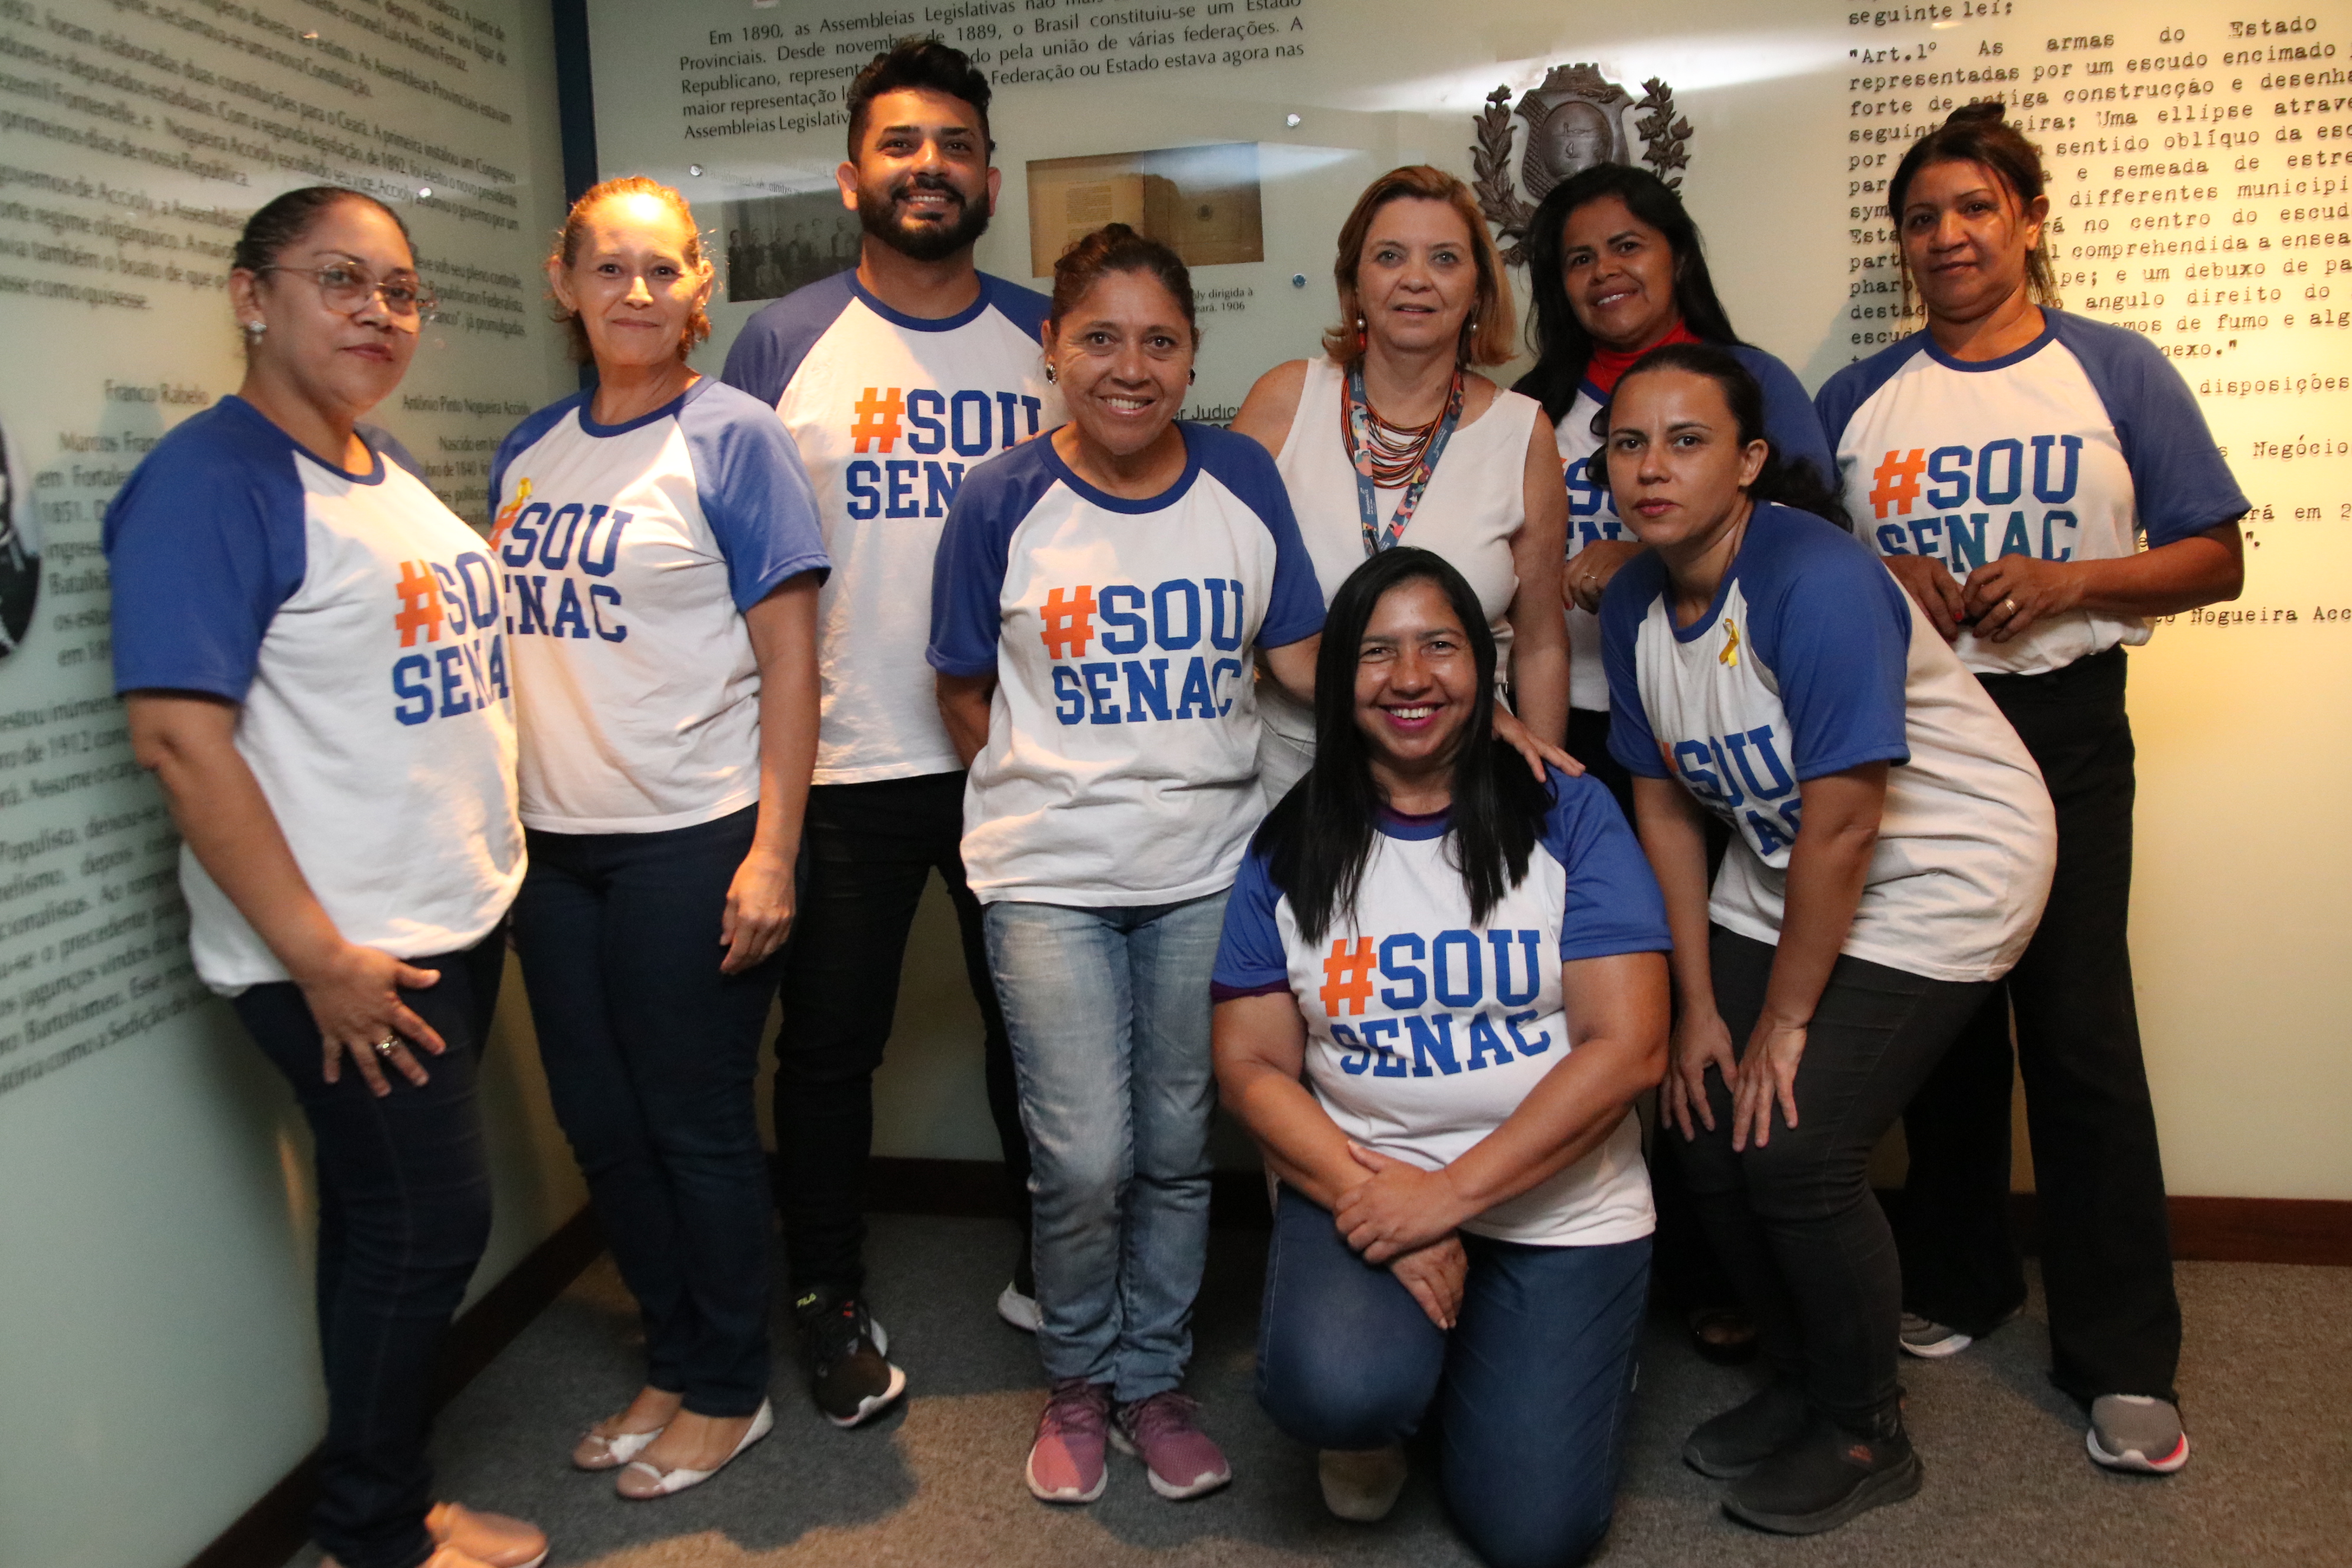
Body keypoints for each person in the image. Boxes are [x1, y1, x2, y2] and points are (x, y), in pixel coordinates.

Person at [107, 187, 547, 1568]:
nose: (378, 311)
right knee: (431, 1224)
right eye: (340, 280)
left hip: (437, 918)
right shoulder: (210, 479)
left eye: (400, 289)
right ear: (253, 296)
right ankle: (377, 1524)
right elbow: (179, 740)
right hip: (350, 954)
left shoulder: (375, 463)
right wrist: (317, 957)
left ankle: (376, 1501)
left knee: (380, 1218)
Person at [1817, 101, 2248, 1475]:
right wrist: (1886, 571)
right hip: (1920, 740)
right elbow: (1795, 557)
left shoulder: (2111, 369)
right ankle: (1963, 1275)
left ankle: (2122, 1355)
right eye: (1922, 219)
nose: (1946, 236)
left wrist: (2075, 581)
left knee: (2078, 1034)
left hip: (2065, 724)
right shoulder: (1860, 396)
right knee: (1940, 1019)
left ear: (2029, 221)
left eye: (1973, 210)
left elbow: (2216, 553)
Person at [1600, 344, 2056, 1534]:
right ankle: (1803, 1381)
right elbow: (1664, 808)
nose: (1651, 468)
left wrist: (1785, 1021)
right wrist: (1699, 1010)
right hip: (1780, 859)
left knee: (1795, 1148)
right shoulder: (1635, 600)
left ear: (1749, 460)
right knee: (1702, 1114)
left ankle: (1864, 1429)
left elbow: (1849, 822)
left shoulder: (1815, 578)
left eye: (1686, 441)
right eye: (1628, 444)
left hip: (1939, 866)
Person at [927, 223, 1325, 1507]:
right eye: (1100, 337)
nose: (1130, 367)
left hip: (1204, 871)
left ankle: (1153, 1381)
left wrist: (1456, 705)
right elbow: (962, 686)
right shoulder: (998, 498)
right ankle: (1077, 1380)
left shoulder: (1241, 479)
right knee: (1084, 1157)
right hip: (1047, 880)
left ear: (1193, 356)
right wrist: (1048, 793)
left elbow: (1300, 657)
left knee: (1174, 1146)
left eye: (1160, 341)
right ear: (1052, 348)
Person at [721, 36, 1060, 1425]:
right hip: (848, 761)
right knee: (828, 1051)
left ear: (991, 177)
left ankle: (1060, 1264)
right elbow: (738, 563)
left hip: (1016, 760)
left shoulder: (1052, 334)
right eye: (902, 144)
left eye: (957, 145)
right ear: (851, 174)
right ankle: (827, 1293)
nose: (931, 167)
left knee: (1036, 1031)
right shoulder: (781, 341)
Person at [1214, 547, 1672, 1566]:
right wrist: (1380, 1200)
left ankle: (1527, 1361)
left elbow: (1630, 1049)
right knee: (1337, 1388)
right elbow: (1249, 1067)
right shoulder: (1288, 845)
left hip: (1561, 1204)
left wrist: (1449, 1198)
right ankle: (1385, 1403)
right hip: (1370, 1188)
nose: (1410, 677)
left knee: (1533, 1536)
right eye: (1376, 653)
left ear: (1484, 665)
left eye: (1439, 646)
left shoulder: (1569, 813)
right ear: (1338, 679)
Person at [492, 177, 827, 1497]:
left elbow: (792, 662)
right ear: (563, 281)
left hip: (693, 832)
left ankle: (731, 1386)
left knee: (693, 1123)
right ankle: (673, 1353)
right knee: (600, 1125)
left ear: (700, 287)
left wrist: (774, 851)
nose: (635, 291)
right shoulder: (529, 448)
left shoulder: (733, 436)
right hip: (555, 847)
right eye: (608, 267)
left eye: (661, 269)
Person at [1515, 159, 1834, 1368]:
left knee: (1707, 1005)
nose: (1605, 271)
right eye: (1578, 256)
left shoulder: (1751, 381)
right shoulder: (1533, 407)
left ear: (1676, 256)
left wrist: (1634, 563)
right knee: (1587, 1002)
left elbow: (1809, 536)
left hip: (1722, 745)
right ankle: (1594, 1250)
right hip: (1583, 734)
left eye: (1627, 246)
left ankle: (1720, 1266)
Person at [1232, 164, 1567, 806]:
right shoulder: (1285, 401)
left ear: (1478, 288)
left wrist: (1543, 793)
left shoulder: (1524, 432)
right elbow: (1219, 594)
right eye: (1390, 256)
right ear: (1355, 283)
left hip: (1462, 767)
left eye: (1444, 258)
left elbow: (1543, 643)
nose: (1416, 278)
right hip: (1290, 770)